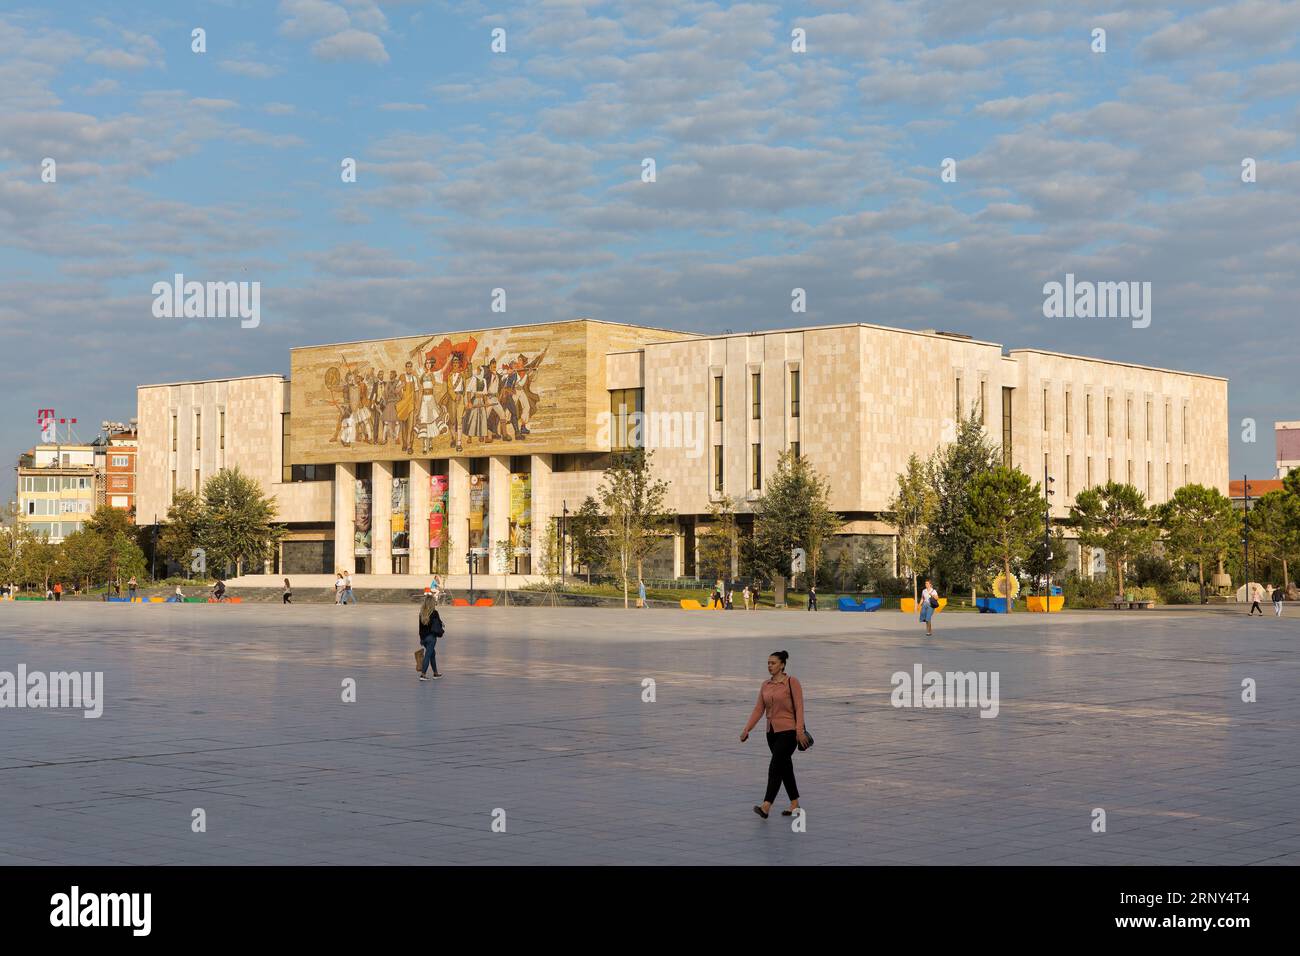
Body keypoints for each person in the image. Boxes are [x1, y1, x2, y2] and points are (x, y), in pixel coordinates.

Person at [740, 651, 807, 819]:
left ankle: (766, 805)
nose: (770, 666)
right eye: (768, 663)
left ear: (782, 664)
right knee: (785, 768)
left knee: (775, 766)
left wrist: (799, 731)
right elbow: (758, 709)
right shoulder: (765, 685)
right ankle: (795, 804)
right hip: (771, 733)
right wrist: (747, 728)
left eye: (773, 663)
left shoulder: (792, 682)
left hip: (789, 732)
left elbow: (799, 707)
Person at [417, 593, 444, 681]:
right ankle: (423, 674)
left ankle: (435, 673)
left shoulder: (421, 613)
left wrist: (421, 639)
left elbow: (420, 628)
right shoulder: (434, 613)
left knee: (432, 654)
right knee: (428, 655)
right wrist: (442, 624)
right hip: (431, 638)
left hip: (424, 638)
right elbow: (438, 624)